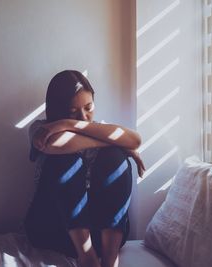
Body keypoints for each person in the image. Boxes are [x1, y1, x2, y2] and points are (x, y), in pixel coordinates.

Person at [24, 70, 145, 267]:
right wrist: (118, 143)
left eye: (88, 108)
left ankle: (110, 259)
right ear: (56, 109)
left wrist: (71, 124)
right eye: (72, 112)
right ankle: (87, 258)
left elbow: (136, 140)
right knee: (64, 160)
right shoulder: (41, 128)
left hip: (100, 234)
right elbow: (54, 145)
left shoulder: (97, 130)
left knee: (115, 157)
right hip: (51, 228)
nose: (83, 117)